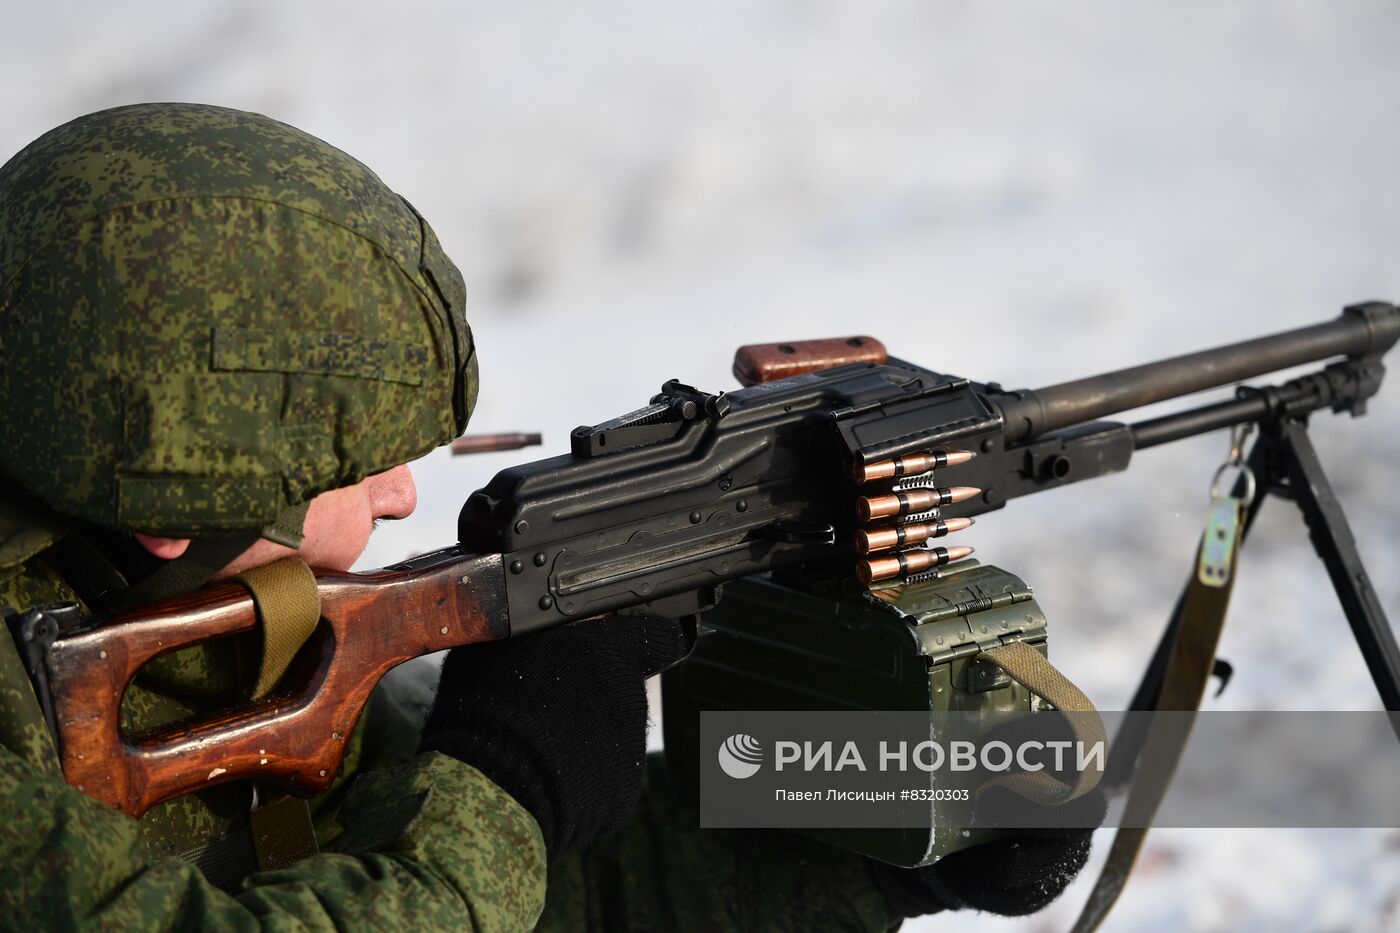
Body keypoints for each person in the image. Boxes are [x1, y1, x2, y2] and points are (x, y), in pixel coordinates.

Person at [0, 102, 1095, 930]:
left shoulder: (214, 630)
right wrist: (502, 790)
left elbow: (539, 897)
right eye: (363, 466)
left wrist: (855, 855)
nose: (402, 496)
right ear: (178, 511)